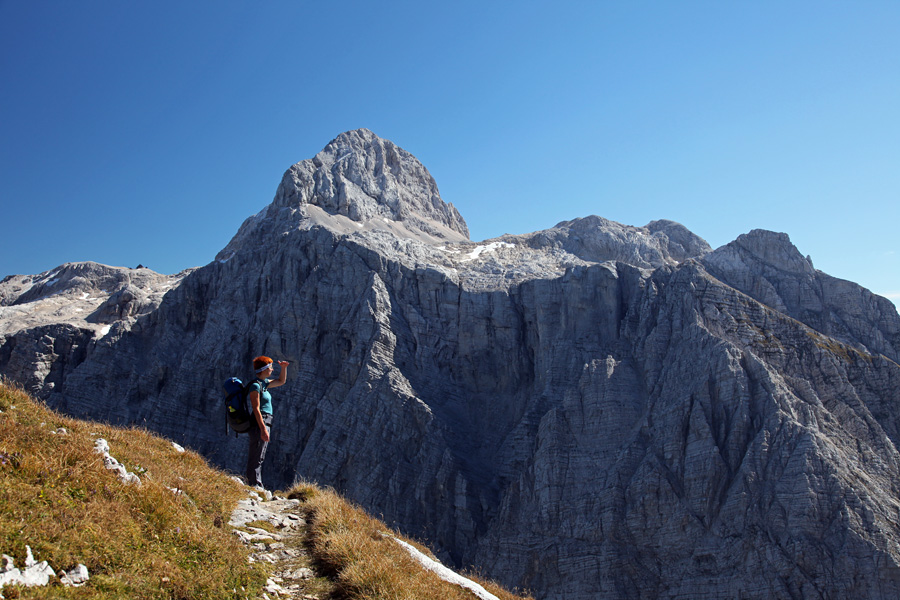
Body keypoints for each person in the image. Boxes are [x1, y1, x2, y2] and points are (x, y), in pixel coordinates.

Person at [245, 355, 288, 489]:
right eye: (270, 367)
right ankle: (254, 485)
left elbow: (281, 381)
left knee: (260, 454)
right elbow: (256, 408)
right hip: (260, 421)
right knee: (257, 454)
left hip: (265, 421)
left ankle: (255, 484)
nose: (272, 369)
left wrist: (284, 368)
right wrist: (263, 428)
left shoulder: (264, 384)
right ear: (264, 369)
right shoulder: (255, 386)